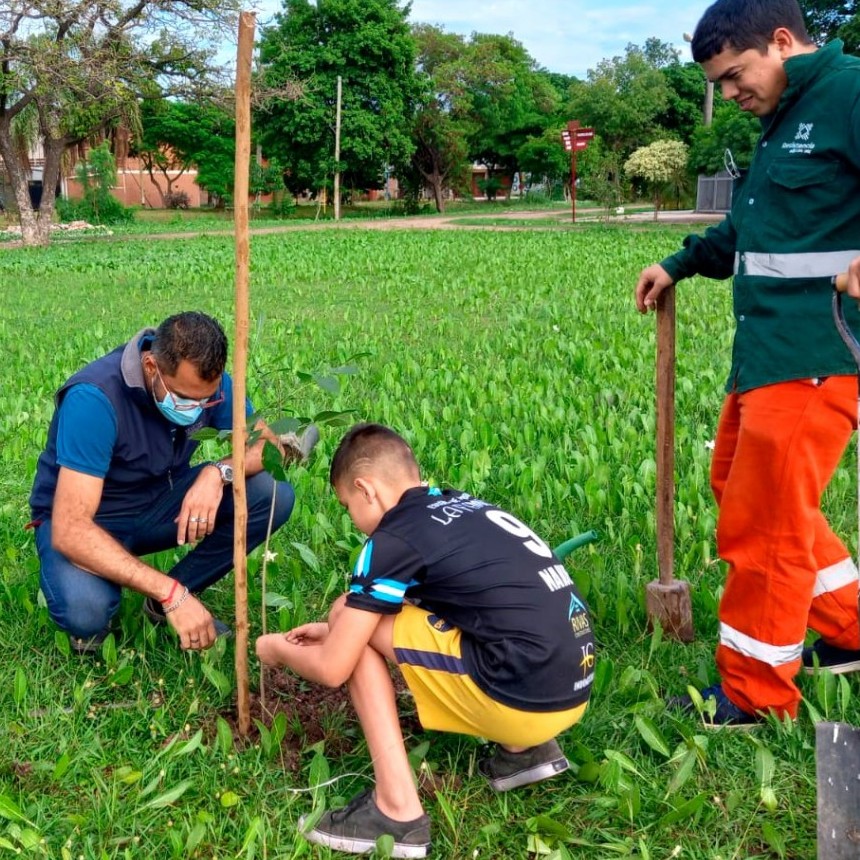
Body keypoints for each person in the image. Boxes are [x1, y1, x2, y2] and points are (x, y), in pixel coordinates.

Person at [635, 0, 860, 727]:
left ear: (784, 42)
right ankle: (854, 629)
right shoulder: (785, 117)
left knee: (765, 524)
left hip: (819, 352)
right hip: (766, 350)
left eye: (734, 75)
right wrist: (681, 262)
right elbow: (755, 227)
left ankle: (758, 694)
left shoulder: (848, 91)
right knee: (738, 484)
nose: (728, 94)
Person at [256, 423, 593, 858]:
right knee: (351, 625)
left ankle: (396, 812)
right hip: (571, 688)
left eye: (346, 506)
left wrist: (276, 650)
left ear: (366, 489)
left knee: (345, 612)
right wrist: (334, 635)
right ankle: (525, 752)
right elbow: (455, 601)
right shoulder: (460, 506)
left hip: (520, 694)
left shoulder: (392, 538)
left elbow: (333, 667)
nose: (353, 521)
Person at [29, 311, 316, 654]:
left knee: (271, 492)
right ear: (151, 367)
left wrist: (217, 472)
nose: (196, 408)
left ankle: (163, 606)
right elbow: (70, 529)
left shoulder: (212, 385)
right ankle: (168, 598)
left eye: (204, 400)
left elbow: (268, 448)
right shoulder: (94, 399)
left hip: (159, 504)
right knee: (86, 611)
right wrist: (170, 591)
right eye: (184, 397)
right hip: (89, 520)